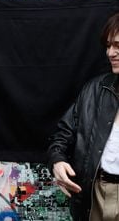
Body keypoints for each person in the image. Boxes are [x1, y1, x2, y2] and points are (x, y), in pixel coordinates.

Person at [47, 12, 119, 221]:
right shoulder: (95, 89)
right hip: (96, 193)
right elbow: (61, 135)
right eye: (108, 46)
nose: (110, 53)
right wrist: (57, 161)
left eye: (117, 45)